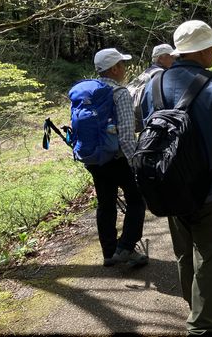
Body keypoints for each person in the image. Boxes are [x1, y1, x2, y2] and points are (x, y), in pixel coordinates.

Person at [141, 20, 212, 334]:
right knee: (208, 255)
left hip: (169, 182)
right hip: (210, 188)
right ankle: (201, 324)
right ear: (201, 51)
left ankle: (195, 307)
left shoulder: (154, 84)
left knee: (183, 252)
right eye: (211, 46)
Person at [89, 48, 148, 267]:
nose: (124, 69)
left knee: (105, 204)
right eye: (122, 65)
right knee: (137, 200)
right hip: (118, 158)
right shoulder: (120, 93)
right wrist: (135, 162)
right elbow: (126, 134)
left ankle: (109, 252)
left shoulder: (88, 91)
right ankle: (126, 247)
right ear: (114, 69)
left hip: (95, 159)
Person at [128, 43, 176, 132]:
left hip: (132, 112)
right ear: (160, 59)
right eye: (171, 56)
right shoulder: (160, 74)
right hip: (145, 116)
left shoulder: (148, 71)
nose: (174, 59)